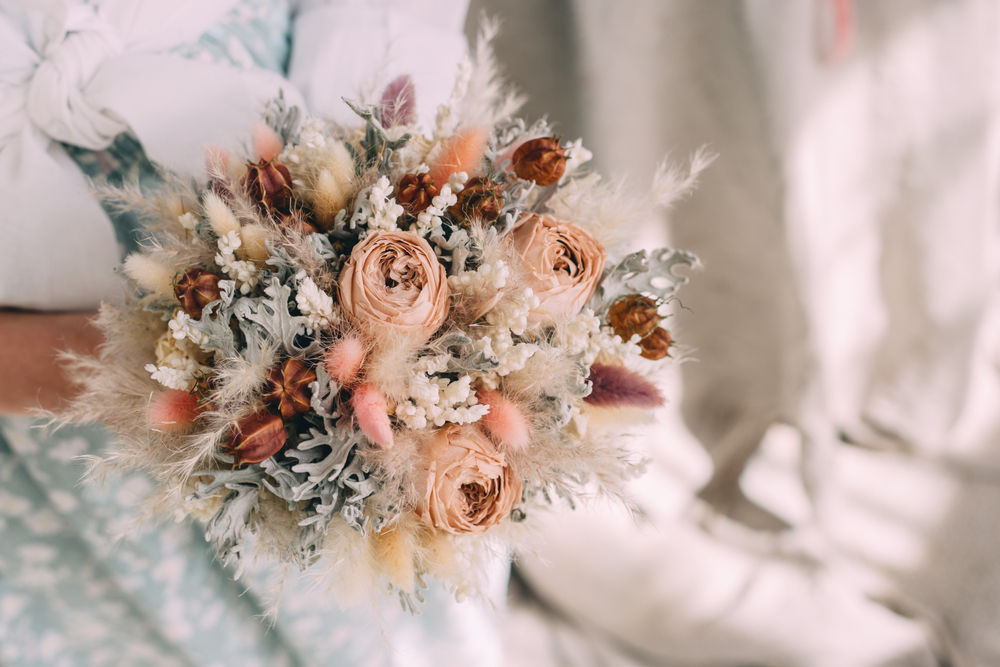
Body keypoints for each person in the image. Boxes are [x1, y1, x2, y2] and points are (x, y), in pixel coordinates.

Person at [0, 1, 508, 665]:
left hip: (330, 265)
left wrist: (361, 214)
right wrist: (136, 365)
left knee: (375, 592)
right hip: (66, 431)